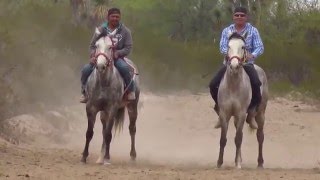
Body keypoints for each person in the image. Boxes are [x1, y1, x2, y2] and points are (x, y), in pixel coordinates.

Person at [209, 6, 264, 128]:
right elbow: (223, 46)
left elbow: (260, 46)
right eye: (237, 15)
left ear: (246, 17)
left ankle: (251, 113)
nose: (239, 17)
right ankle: (219, 111)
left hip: (246, 64)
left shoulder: (253, 31)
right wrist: (230, 54)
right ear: (233, 17)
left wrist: (252, 55)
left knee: (256, 83)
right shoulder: (227, 31)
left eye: (242, 15)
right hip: (229, 63)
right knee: (213, 84)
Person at [80, 7, 135, 103]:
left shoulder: (125, 31)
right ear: (108, 17)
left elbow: (128, 47)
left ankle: (130, 91)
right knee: (85, 70)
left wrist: (118, 53)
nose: (115, 18)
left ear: (120, 17)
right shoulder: (100, 30)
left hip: (116, 58)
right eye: (113, 16)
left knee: (125, 69)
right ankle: (84, 92)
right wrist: (93, 56)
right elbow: (92, 45)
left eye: (117, 17)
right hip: (100, 57)